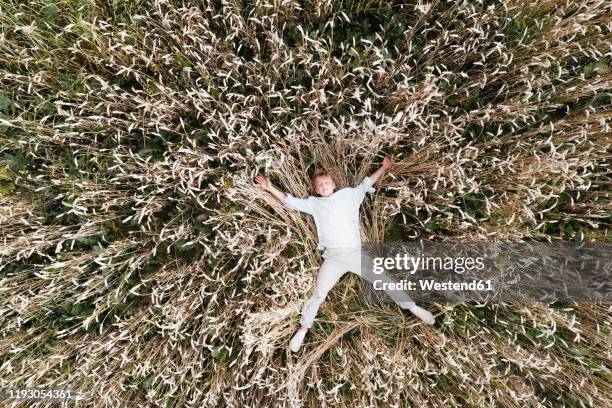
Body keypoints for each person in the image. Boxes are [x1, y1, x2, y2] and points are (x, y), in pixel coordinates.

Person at [255, 155, 435, 353]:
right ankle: (303, 329)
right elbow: (290, 201)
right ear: (315, 190)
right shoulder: (315, 203)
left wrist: (383, 167)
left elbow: (367, 182)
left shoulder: (349, 195)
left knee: (383, 279)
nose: (323, 186)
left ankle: (412, 307)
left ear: (334, 184)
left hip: (356, 255)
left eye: (326, 182)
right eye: (319, 185)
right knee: (319, 293)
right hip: (332, 258)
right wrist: (269, 187)